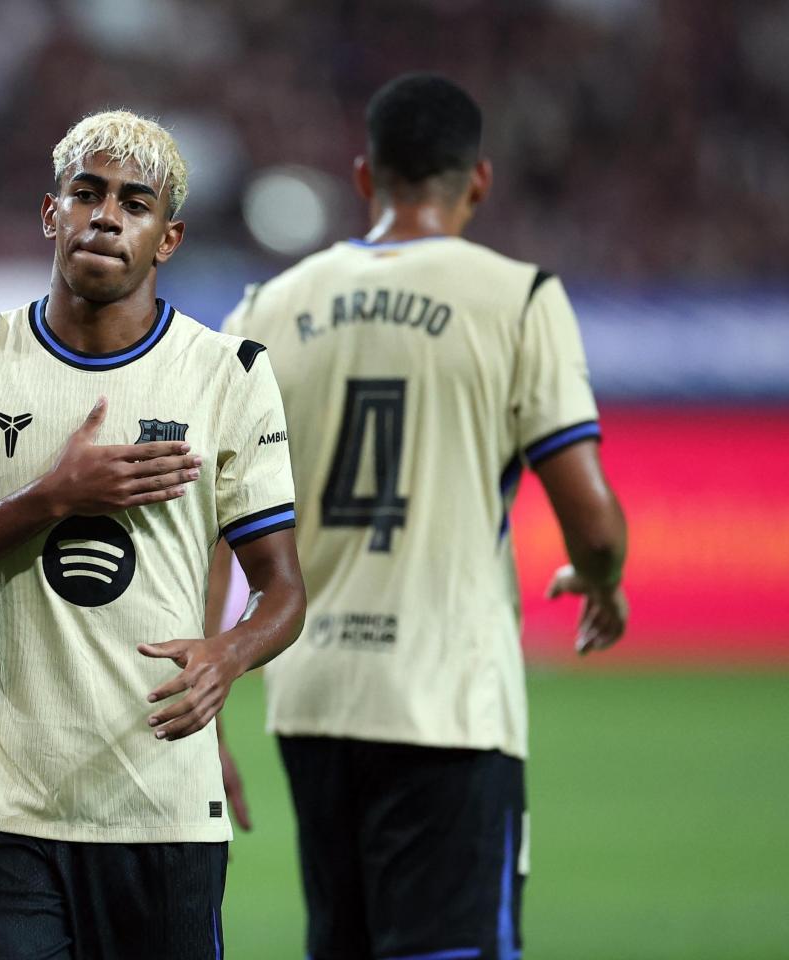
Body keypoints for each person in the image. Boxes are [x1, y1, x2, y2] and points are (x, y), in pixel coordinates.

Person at [0, 110, 308, 960]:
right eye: (87, 193)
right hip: (4, 809)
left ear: (167, 237)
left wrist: (230, 653)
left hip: (162, 809)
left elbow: (282, 587)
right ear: (50, 212)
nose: (105, 216)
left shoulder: (230, 375)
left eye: (134, 204)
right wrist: (49, 497)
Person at [216, 73, 629, 960]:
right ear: (478, 180)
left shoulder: (265, 308)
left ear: (365, 177)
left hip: (311, 698)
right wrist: (602, 582)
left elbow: (215, 517)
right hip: (446, 701)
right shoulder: (518, 299)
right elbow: (589, 518)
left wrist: (208, 713)